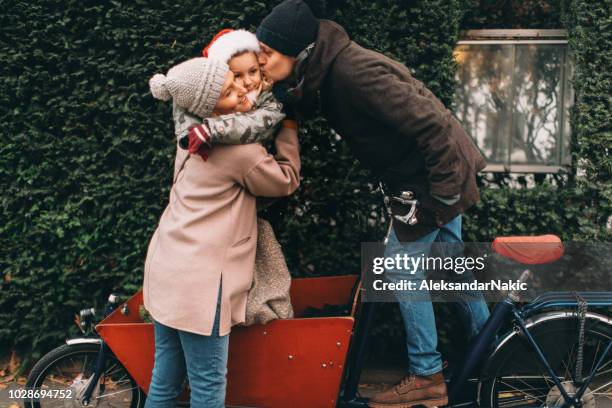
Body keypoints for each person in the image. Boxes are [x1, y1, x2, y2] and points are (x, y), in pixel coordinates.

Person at [250, 1, 492, 407]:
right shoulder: (327, 67)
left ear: (298, 52)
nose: (260, 59)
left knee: (399, 265)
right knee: (452, 266)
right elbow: (311, 98)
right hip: (430, 175)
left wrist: (446, 190)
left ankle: (427, 375)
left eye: (268, 54)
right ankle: (494, 355)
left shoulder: (353, 72)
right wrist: (280, 99)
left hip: (431, 178)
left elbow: (430, 121)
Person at [143, 55, 300, 408]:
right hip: (201, 285)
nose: (242, 91)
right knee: (208, 389)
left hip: (166, 269)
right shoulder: (239, 151)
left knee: (164, 382)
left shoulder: (188, 137)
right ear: (210, 110)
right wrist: (288, 125)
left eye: (235, 80)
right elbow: (286, 181)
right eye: (228, 93)